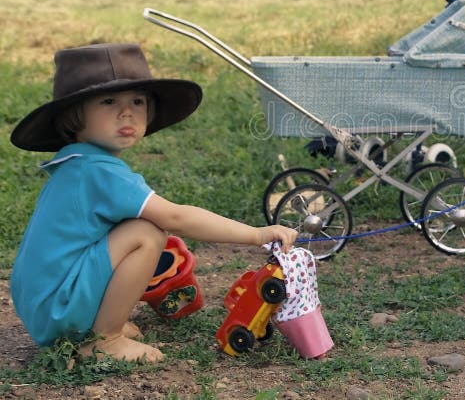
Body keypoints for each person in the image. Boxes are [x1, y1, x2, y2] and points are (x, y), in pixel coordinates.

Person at [9, 43, 298, 362]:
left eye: (138, 101)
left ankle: (96, 323)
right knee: (147, 234)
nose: (126, 111)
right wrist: (256, 235)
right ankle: (104, 339)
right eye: (108, 101)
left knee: (134, 228)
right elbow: (176, 216)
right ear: (74, 116)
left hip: (44, 303)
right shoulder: (100, 173)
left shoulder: (77, 163)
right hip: (58, 307)